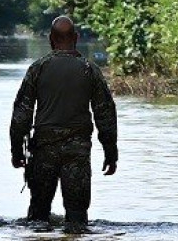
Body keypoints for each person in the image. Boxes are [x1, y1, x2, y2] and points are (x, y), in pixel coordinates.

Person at [9, 15, 118, 232]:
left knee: (38, 218)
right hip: (77, 151)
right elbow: (105, 113)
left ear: (51, 39)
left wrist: (16, 151)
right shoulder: (90, 69)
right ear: (76, 38)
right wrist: (110, 151)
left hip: (43, 150)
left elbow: (21, 114)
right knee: (77, 221)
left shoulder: (38, 68)